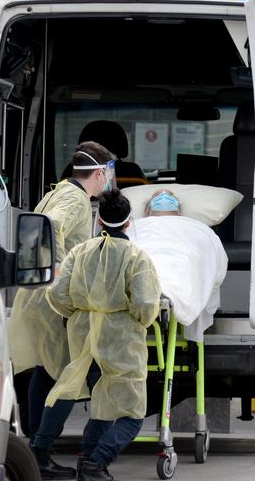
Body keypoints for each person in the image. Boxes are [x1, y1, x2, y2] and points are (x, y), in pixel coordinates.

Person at [9, 141, 114, 479]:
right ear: (100, 173)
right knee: (70, 376)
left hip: (40, 298)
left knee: (48, 370)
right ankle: (40, 450)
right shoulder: (75, 200)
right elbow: (52, 226)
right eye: (108, 174)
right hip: (54, 300)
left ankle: (36, 451)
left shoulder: (61, 191)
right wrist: (59, 272)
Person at [45, 189, 161, 481]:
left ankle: (86, 460)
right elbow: (147, 304)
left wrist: (79, 315)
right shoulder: (136, 257)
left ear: (98, 221)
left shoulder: (80, 252)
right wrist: (137, 320)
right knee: (132, 414)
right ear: (128, 223)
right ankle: (97, 462)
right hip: (121, 340)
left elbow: (58, 294)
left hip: (84, 338)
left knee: (101, 403)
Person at [128, 189, 228, 342]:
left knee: (184, 259)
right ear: (147, 211)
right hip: (150, 269)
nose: (163, 196)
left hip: (152, 278)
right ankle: (164, 287)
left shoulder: (197, 228)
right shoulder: (135, 226)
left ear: (180, 213)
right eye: (158, 196)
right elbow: (218, 267)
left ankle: (159, 286)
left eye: (168, 196)